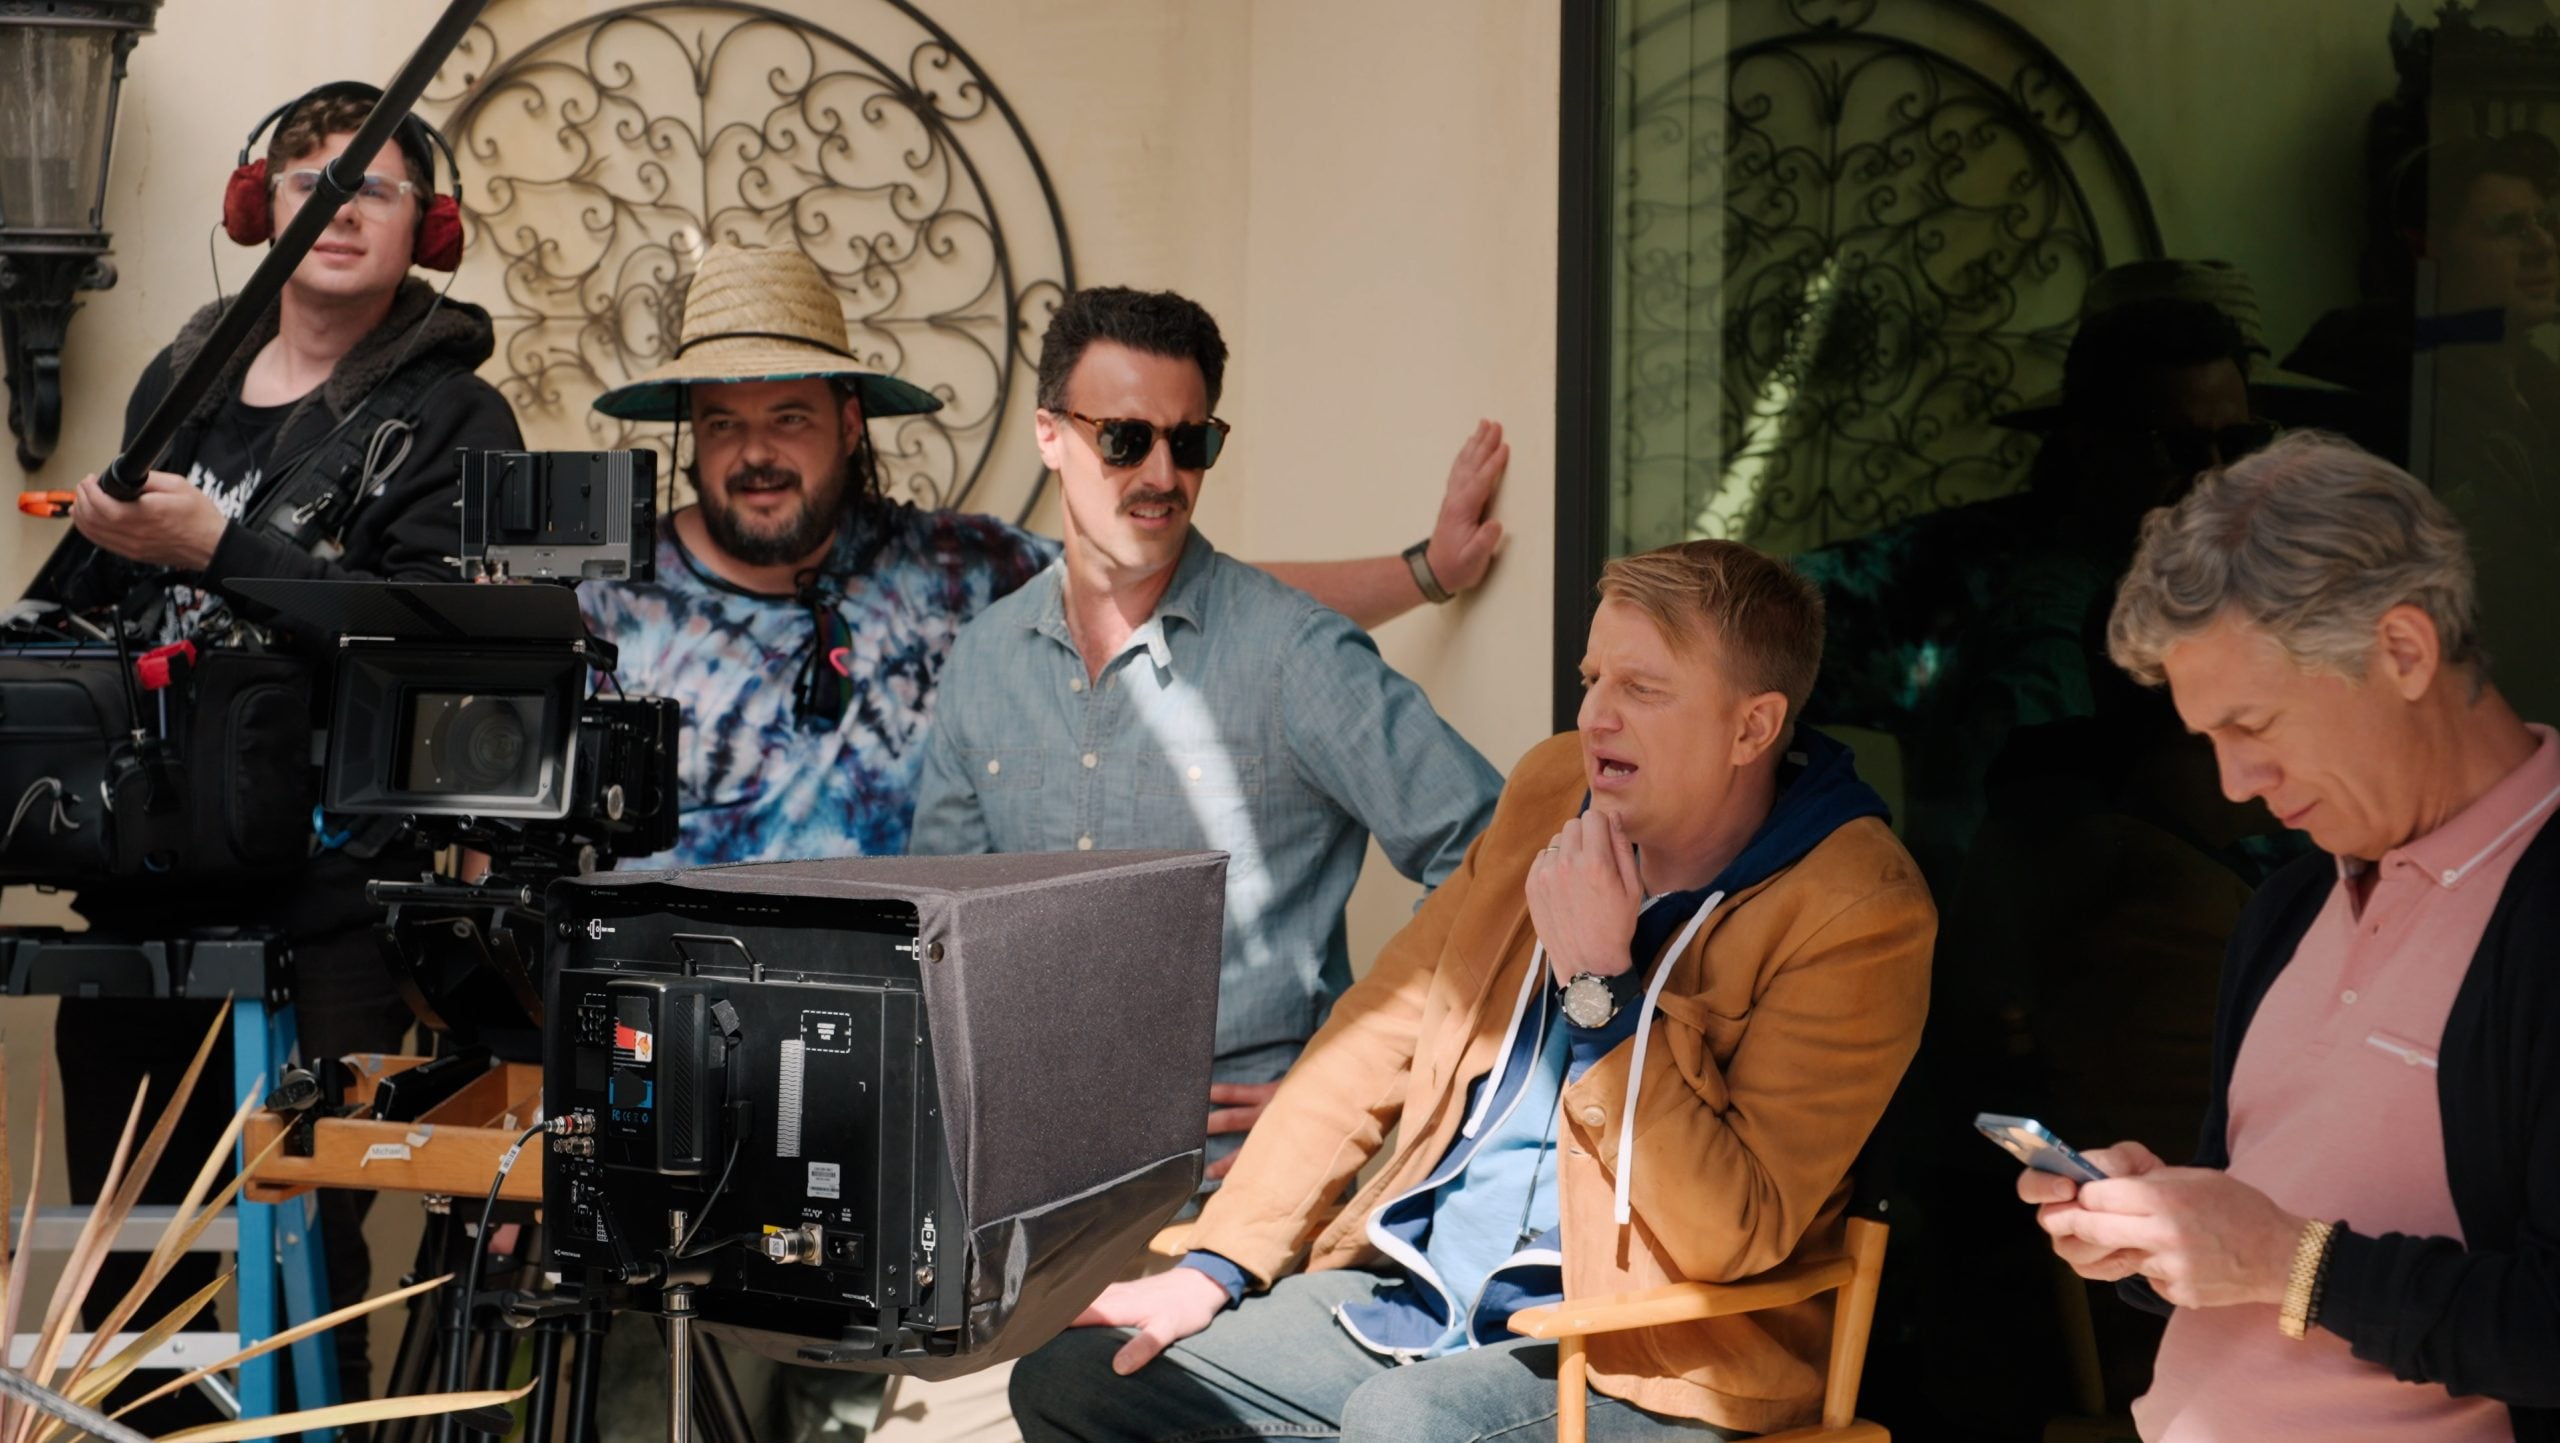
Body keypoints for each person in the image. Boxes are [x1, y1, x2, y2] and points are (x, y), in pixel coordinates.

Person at [1010, 538, 1935, 1443]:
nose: (1597, 717)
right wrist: (1219, 1260)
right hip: (1426, 1296)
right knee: (1076, 1379)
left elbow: (1733, 1231)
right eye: (1592, 679)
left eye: (1643, 689)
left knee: (1409, 1425)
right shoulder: (1550, 789)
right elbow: (1382, 1029)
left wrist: (1597, 986)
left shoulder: (1857, 909)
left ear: (1753, 726)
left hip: (1643, 1352)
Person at [19, 80, 523, 1421]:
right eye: (310, 178)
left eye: (373, 182)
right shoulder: (177, 385)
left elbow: (444, 651)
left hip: (331, 903)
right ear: (260, 210)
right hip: (144, 888)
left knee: (304, 1259)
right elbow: (93, 591)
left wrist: (221, 551)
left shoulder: (459, 419)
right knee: (134, 1268)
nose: (338, 204)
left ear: (431, 226)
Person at [579, 243, 1511, 869]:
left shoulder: (950, 571)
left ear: (848, 423)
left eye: (789, 418)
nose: (756, 455)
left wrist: (1424, 571)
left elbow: (1172, 574)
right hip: (670, 1044)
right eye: (723, 424)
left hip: (885, 1046)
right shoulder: (611, 609)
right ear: (691, 437)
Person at [2017, 432, 2560, 1442]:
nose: (2232, 784)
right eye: (2207, 738)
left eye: (2253, 724)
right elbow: (2264, 1243)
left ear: (2401, 650)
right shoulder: (2286, 905)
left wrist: (2289, 1263)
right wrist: (2165, 1236)